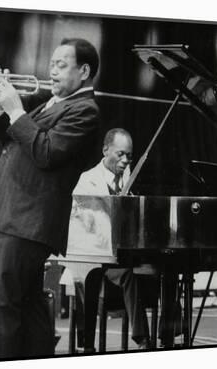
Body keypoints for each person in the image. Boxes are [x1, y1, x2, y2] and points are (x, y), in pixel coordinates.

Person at [0, 38, 101, 359]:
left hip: (28, 220)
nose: (52, 71)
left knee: (1, 306)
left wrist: (16, 108)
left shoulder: (84, 111)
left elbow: (45, 152)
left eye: (62, 65)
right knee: (30, 307)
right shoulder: (54, 103)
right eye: (51, 64)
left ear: (84, 71)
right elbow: (16, 143)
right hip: (21, 217)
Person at [72, 128, 152, 349]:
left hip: (121, 253)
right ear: (106, 150)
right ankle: (142, 339)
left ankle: (170, 330)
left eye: (129, 155)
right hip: (94, 256)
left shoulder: (128, 180)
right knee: (127, 274)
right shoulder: (88, 180)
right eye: (121, 154)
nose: (126, 160)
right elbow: (81, 220)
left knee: (164, 266)